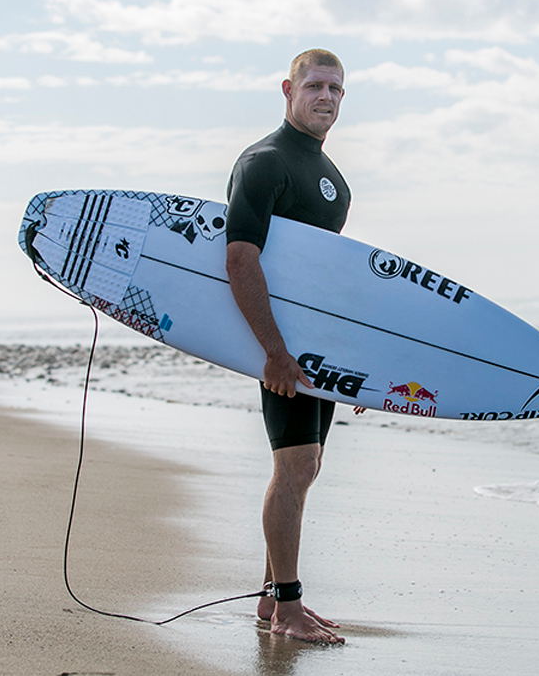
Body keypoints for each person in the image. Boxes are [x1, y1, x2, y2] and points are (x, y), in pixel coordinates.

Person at [224, 49, 352, 644]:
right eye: (315, 85)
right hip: (281, 347)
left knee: (308, 466)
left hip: (315, 351)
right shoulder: (265, 162)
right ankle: (289, 608)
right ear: (288, 89)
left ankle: (271, 596)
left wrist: (354, 369)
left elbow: (320, 284)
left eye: (336, 89)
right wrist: (274, 351)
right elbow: (240, 257)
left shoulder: (334, 183)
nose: (326, 97)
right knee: (294, 465)